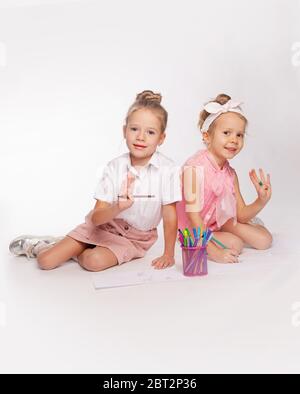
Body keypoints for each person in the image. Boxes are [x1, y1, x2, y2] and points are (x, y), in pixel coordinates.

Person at [10, 90, 182, 271]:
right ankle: (45, 245)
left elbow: (170, 216)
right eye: (134, 129)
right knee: (45, 261)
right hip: (104, 226)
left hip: (135, 238)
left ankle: (72, 248)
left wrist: (168, 253)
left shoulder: (168, 170)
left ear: (161, 138)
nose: (140, 137)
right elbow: (96, 217)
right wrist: (118, 207)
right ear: (125, 131)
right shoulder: (115, 167)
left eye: (150, 132)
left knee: (93, 262)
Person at [177, 94, 273, 264]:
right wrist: (215, 253)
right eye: (226, 133)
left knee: (265, 240)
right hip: (192, 229)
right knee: (235, 244)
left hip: (215, 224)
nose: (234, 140)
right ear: (207, 136)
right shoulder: (193, 169)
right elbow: (193, 218)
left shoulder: (230, 173)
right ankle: (205, 241)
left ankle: (228, 225)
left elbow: (241, 214)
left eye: (239, 135)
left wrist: (261, 200)